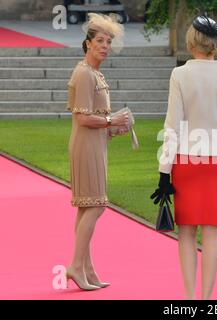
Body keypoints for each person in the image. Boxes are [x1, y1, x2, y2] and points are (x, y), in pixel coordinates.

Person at [150, 15, 217, 300]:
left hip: (186, 160)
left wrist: (163, 170)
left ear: (191, 41)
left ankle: (190, 298)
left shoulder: (180, 75)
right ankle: (206, 299)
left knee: (186, 233)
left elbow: (172, 126)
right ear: (216, 43)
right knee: (212, 232)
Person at [66, 13, 129, 290]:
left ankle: (87, 269)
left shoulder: (94, 73)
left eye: (108, 42)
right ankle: (76, 266)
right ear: (88, 43)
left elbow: (97, 116)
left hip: (95, 143)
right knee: (97, 204)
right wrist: (112, 121)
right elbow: (83, 118)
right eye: (100, 41)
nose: (105, 46)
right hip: (85, 144)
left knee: (87, 206)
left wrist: (115, 125)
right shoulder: (83, 73)